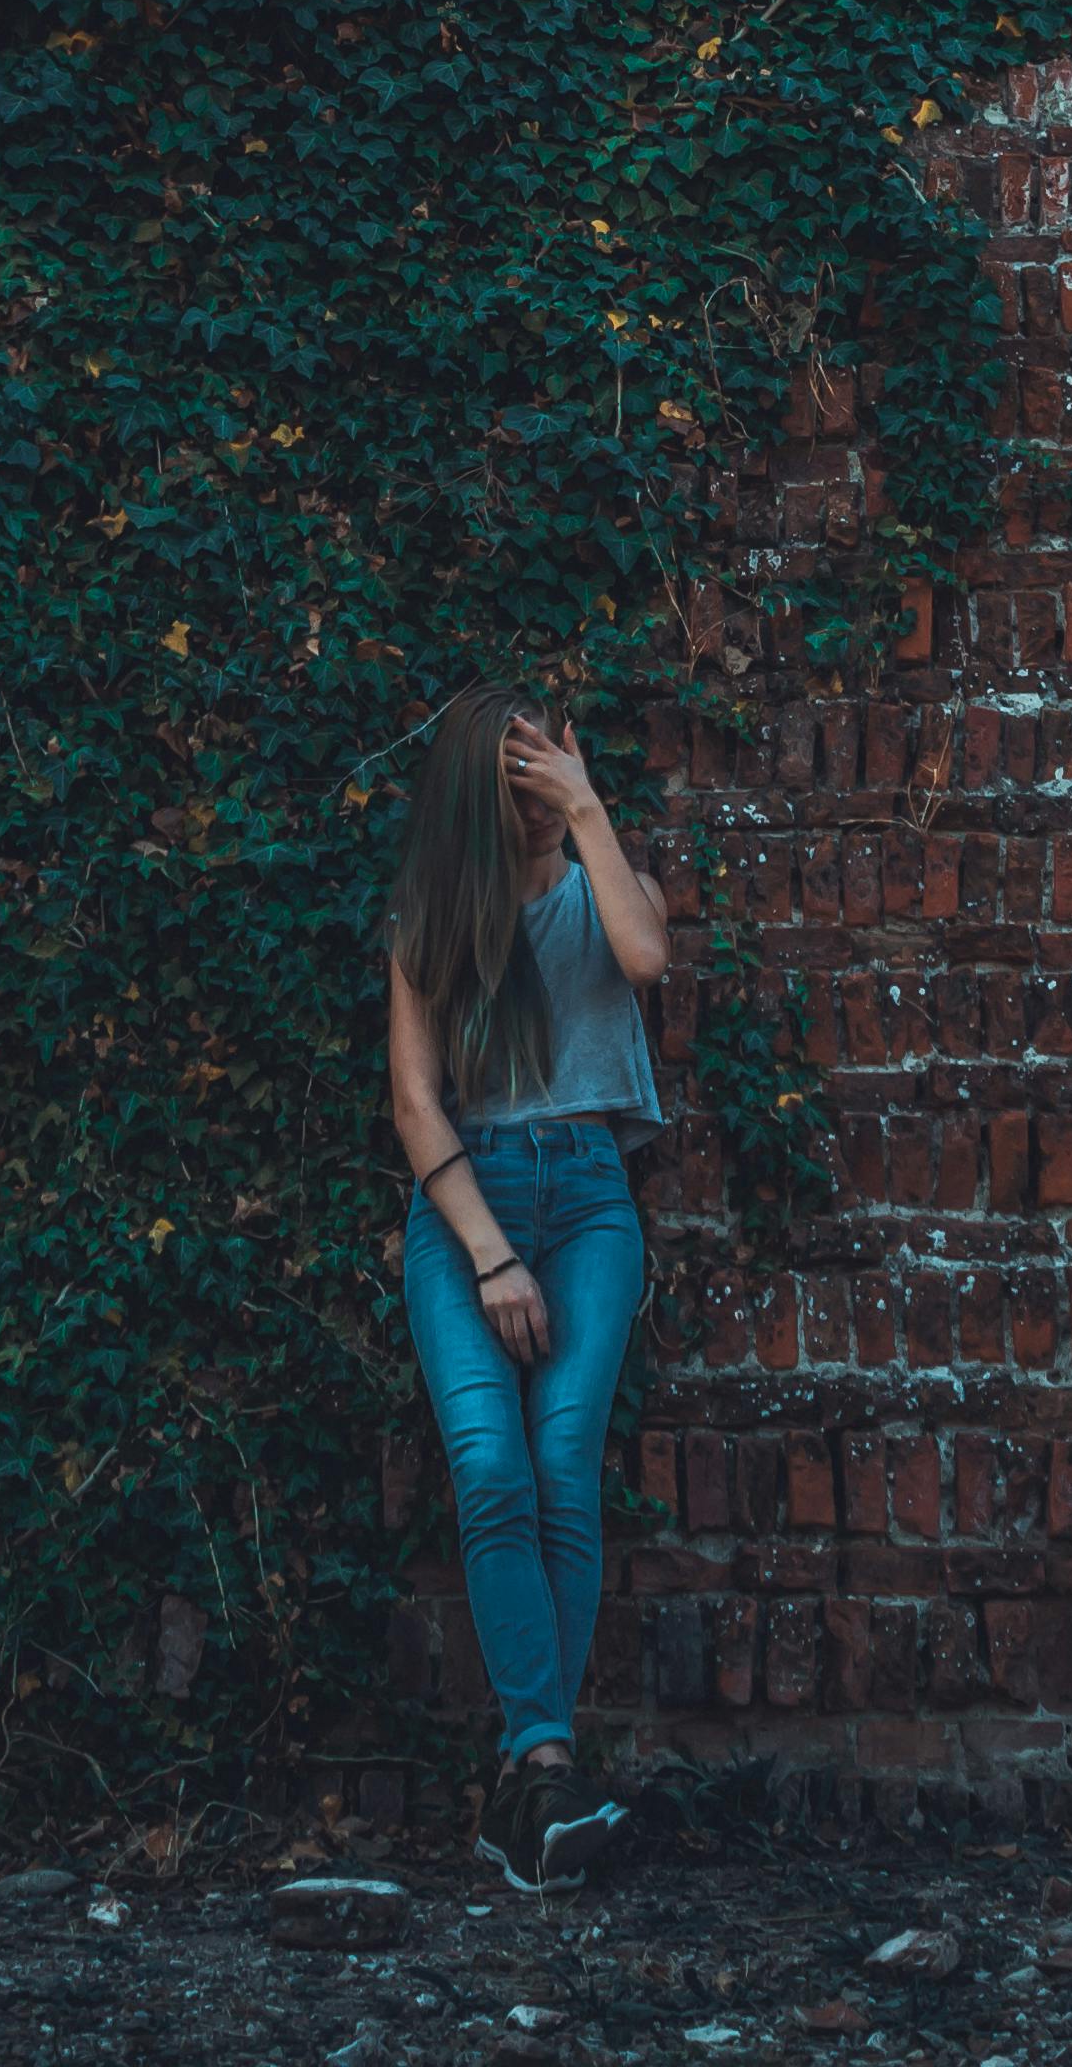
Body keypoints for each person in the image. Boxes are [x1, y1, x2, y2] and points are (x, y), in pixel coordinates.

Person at [384, 679, 668, 1893]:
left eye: (561, 755)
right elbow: (413, 1101)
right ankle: (541, 1771)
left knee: (561, 1473)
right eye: (526, 770)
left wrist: (590, 811)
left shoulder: (609, 880)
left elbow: (648, 957)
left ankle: (531, 1783)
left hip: (593, 1196)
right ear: (480, 790)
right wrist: (491, 1252)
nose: (549, 782)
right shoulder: (436, 914)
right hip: (468, 1206)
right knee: (491, 1471)